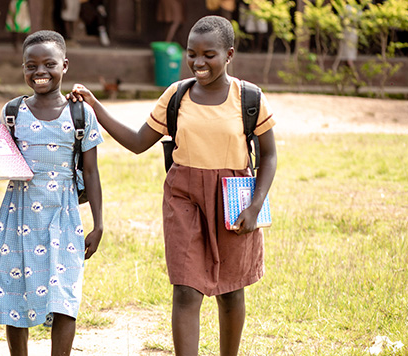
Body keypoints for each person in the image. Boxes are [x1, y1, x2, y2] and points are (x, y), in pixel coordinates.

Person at [68, 16, 277, 356]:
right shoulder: (176, 96)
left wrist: (254, 206)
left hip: (233, 198)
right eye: (191, 53)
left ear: (229, 54)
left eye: (209, 54)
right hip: (184, 196)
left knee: (231, 290)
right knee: (185, 289)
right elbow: (138, 142)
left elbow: (268, 156)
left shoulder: (249, 97)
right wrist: (95, 105)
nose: (198, 62)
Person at [0, 30, 104, 356]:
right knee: (14, 292)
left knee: (64, 296)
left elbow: (90, 171)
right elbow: (1, 159)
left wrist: (99, 223)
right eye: (31, 65)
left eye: (49, 64)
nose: (40, 72)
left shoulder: (81, 114)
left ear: (65, 65)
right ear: (22, 68)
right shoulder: (12, 111)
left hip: (63, 215)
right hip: (17, 212)